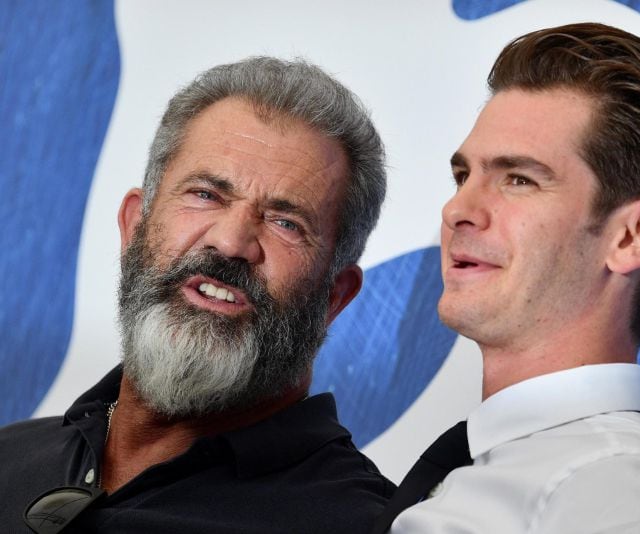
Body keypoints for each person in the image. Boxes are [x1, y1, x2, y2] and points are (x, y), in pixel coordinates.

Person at [0, 56, 394, 533]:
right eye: (206, 194)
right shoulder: (9, 457)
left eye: (286, 223)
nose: (231, 242)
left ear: (335, 298)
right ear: (133, 226)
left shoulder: (366, 525)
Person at [375, 22, 640, 533]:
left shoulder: (621, 496)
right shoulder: (533, 474)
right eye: (463, 176)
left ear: (634, 235)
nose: (458, 208)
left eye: (518, 179)